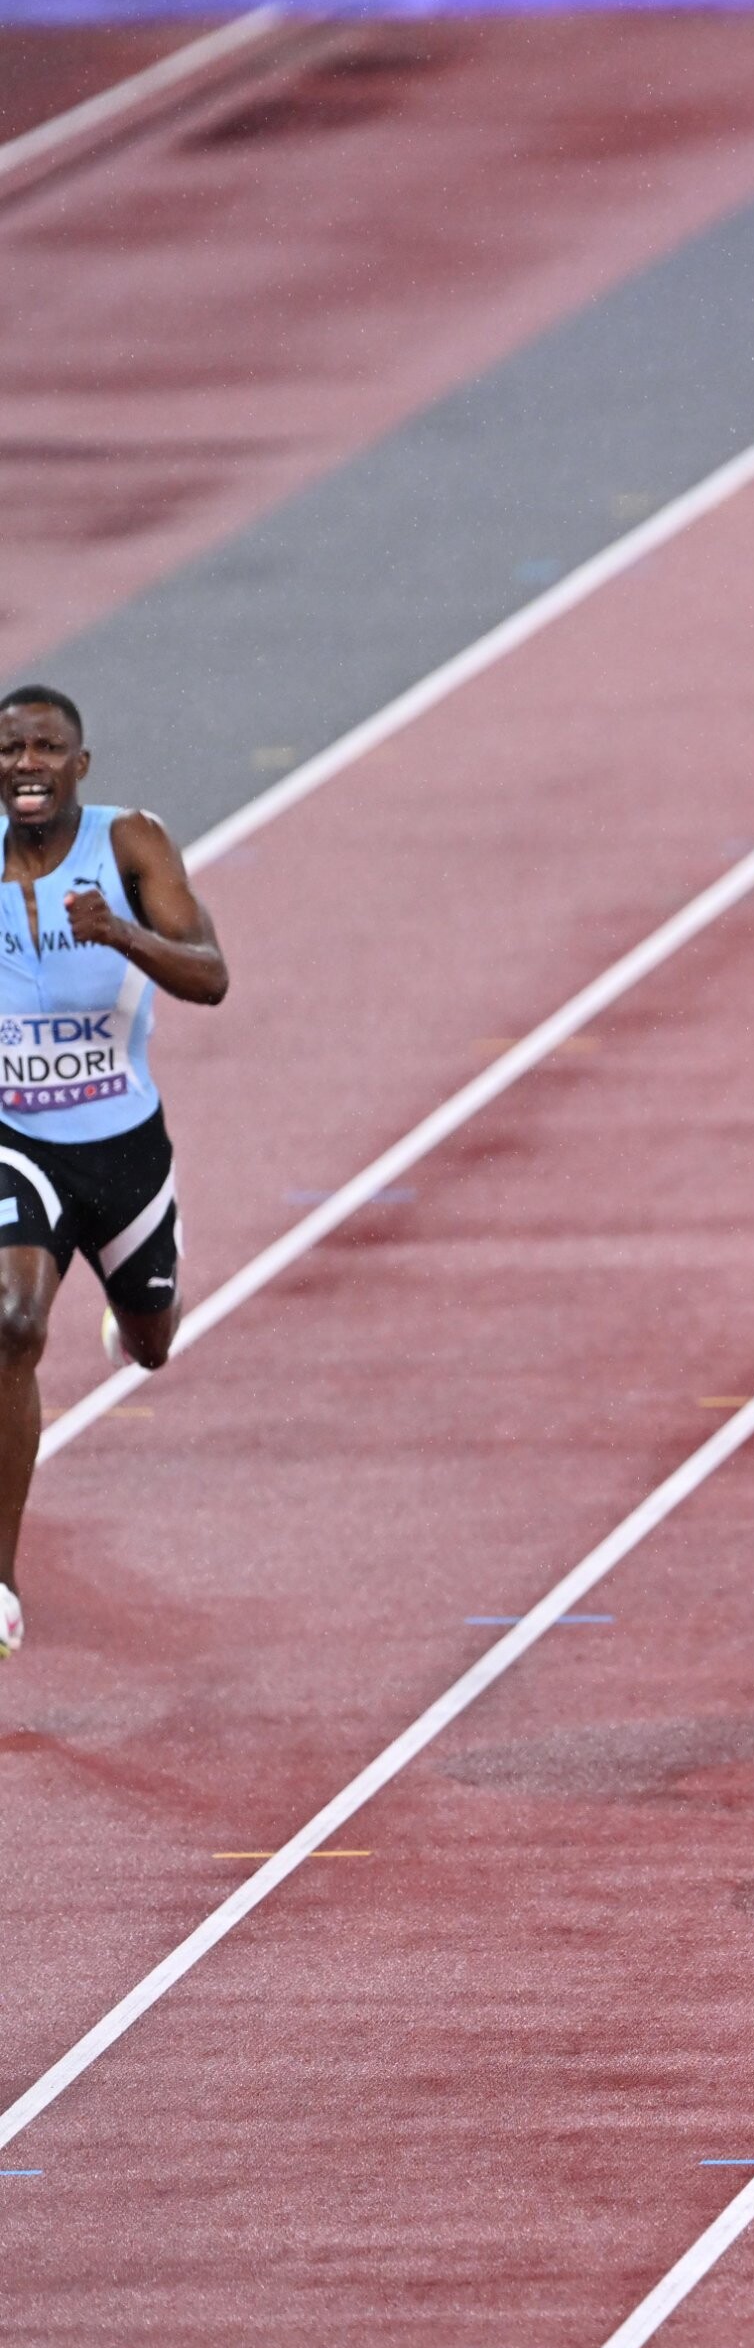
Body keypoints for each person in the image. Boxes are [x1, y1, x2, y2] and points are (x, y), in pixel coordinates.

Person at [0, 685, 230, 1658]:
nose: (27, 764)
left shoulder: (129, 843)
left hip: (124, 1149)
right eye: (10, 749)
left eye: (46, 748)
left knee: (151, 1344)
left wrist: (121, 933)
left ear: (79, 765)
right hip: (17, 1140)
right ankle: (1, 1580)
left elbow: (211, 975)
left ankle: (134, 1306)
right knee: (12, 1321)